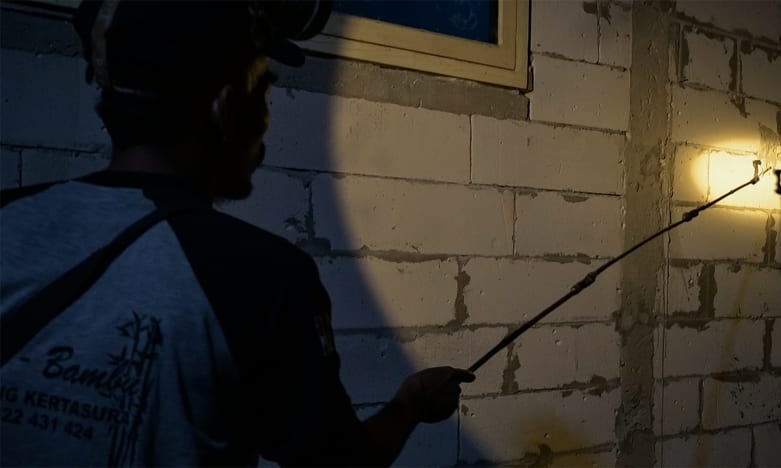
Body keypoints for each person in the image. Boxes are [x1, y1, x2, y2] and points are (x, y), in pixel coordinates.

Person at [0, 1, 474, 466]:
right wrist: (409, 406)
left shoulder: (10, 219)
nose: (266, 119)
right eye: (262, 92)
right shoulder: (264, 277)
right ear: (225, 105)